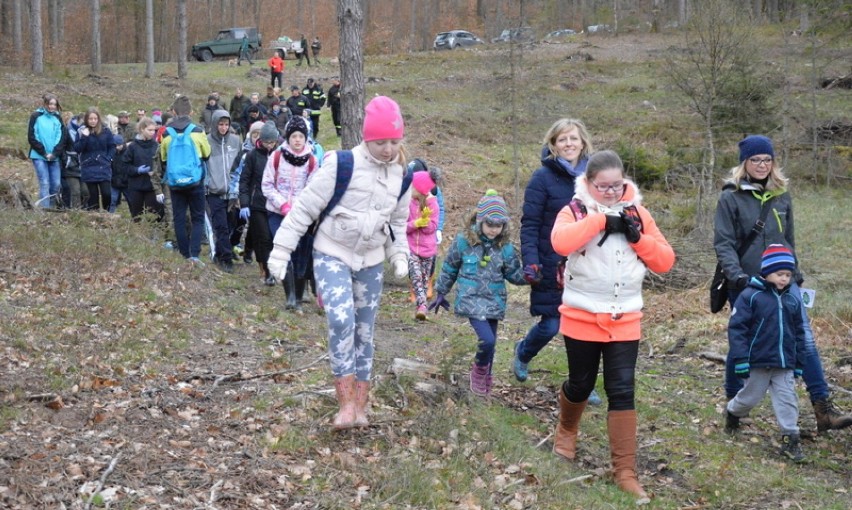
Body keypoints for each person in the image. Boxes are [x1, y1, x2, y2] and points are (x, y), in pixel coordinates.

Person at [266, 96, 411, 430]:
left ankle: (361, 404)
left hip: (371, 260)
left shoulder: (401, 176)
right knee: (342, 319)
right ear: (366, 137)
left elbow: (399, 223)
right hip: (332, 251)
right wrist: (280, 252)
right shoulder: (341, 164)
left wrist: (399, 255)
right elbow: (304, 209)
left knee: (365, 329)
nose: (388, 149)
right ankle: (344, 403)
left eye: (393, 141)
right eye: (380, 142)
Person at [549, 150, 675, 503]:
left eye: (616, 186)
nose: (610, 192)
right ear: (588, 183)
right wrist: (601, 221)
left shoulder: (639, 213)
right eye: (602, 187)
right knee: (581, 383)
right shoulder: (573, 211)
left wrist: (637, 237)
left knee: (622, 390)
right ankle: (567, 430)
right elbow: (560, 243)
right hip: (581, 315)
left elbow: (665, 261)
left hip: (625, 317)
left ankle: (625, 472)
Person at [714, 134, 852, 432]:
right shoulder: (730, 196)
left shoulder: (781, 196)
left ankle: (822, 408)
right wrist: (737, 276)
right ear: (744, 163)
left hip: (785, 281)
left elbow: (789, 240)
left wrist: (796, 275)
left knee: (804, 339)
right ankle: (733, 403)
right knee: (744, 341)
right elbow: (723, 243)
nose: (762, 165)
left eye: (767, 159)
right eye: (755, 160)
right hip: (748, 283)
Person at [514, 118, 602, 405]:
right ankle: (524, 351)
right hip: (551, 263)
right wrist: (531, 261)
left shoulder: (594, 179)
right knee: (552, 325)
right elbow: (530, 224)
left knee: (584, 330)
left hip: (586, 264)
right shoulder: (542, 178)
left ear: (583, 142)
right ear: (553, 144)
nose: (568, 144)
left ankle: (583, 385)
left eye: (573, 139)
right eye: (562, 139)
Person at [428, 189, 526, 396]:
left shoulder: (505, 248)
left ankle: (485, 379)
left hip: (494, 301)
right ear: (480, 221)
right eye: (489, 224)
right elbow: (450, 267)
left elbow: (514, 275)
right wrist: (441, 292)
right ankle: (478, 372)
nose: (493, 230)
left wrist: (532, 276)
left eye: (498, 226)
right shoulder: (464, 241)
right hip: (471, 299)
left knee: (492, 341)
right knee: (486, 340)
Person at [725, 244, 806, 462]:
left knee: (788, 399)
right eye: (780, 274)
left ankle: (791, 438)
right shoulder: (750, 296)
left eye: (788, 275)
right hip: (758, 360)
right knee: (749, 398)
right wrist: (740, 359)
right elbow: (737, 329)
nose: (784, 279)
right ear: (766, 271)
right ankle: (733, 412)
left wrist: (799, 362)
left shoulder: (792, 300)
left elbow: (799, 332)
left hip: (784, 363)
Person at [262, 116, 317, 312]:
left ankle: (300, 294)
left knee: (300, 254)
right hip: (277, 213)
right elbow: (267, 185)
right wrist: (283, 204)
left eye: (301, 136)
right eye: (294, 136)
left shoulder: (312, 161)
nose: (297, 140)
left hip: (301, 216)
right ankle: (290, 297)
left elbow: (313, 189)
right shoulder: (276, 157)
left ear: (305, 138)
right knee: (284, 249)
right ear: (288, 137)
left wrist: (300, 208)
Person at [159, 95, 211, 265]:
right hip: (195, 181)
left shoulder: (166, 133)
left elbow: (163, 158)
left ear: (173, 112)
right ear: (191, 112)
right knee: (197, 218)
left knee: (179, 218)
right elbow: (206, 154)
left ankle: (183, 254)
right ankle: (194, 255)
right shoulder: (197, 131)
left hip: (175, 184)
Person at [240, 122, 281, 284]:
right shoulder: (252, 156)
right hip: (258, 204)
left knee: (273, 238)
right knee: (263, 237)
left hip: (276, 204)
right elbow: (244, 181)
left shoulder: (280, 155)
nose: (270, 145)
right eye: (267, 142)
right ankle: (268, 272)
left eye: (273, 142)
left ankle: (270, 267)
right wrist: (244, 203)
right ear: (261, 140)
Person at [206, 109, 242, 273]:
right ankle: (226, 259)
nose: (223, 128)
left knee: (231, 224)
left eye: (226, 124)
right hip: (214, 191)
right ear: (214, 124)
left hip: (233, 193)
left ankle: (222, 251)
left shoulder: (235, 141)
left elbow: (241, 166)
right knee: (220, 226)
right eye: (220, 124)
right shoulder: (206, 141)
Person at [407, 171, 439, 320]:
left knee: (425, 280)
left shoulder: (433, 204)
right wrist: (415, 223)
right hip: (411, 248)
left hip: (428, 250)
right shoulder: (408, 203)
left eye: (412, 187)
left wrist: (425, 221)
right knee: (416, 277)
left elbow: (432, 227)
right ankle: (422, 306)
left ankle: (422, 306)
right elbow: (402, 225)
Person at [27, 93, 69, 208]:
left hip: (54, 156)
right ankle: (44, 210)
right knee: (44, 183)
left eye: (54, 104)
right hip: (39, 155)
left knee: (56, 184)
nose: (52, 107)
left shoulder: (58, 117)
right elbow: (32, 136)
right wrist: (44, 153)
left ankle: (51, 208)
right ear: (45, 104)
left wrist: (54, 153)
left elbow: (61, 137)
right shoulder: (36, 116)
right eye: (50, 104)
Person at [122, 117, 164, 222]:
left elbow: (161, 164)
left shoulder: (156, 146)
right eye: (149, 130)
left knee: (154, 215)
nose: (152, 133)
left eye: (154, 130)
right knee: (136, 216)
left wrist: (157, 172)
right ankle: (137, 237)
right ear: (141, 129)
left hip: (152, 187)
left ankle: (153, 237)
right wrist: (137, 170)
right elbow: (124, 166)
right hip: (136, 186)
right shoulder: (132, 147)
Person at [74, 107, 116, 211]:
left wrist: (109, 158)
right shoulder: (81, 131)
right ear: (86, 120)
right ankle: (95, 217)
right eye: (90, 119)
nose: (93, 121)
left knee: (107, 193)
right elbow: (77, 148)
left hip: (103, 166)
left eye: (95, 119)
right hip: (88, 166)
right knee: (93, 198)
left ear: (98, 119)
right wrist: (84, 137)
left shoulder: (106, 131)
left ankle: (106, 213)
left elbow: (112, 146)